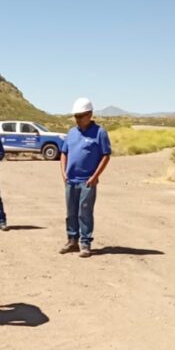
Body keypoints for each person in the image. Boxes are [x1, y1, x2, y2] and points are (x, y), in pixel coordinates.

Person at [59, 98, 112, 258]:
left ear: (90, 114)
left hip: (87, 181)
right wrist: (63, 173)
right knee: (71, 212)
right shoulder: (72, 132)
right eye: (76, 116)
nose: (78, 119)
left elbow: (106, 155)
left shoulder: (99, 133)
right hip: (71, 180)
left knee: (85, 212)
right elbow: (64, 153)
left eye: (81, 116)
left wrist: (95, 176)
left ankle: (85, 243)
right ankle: (72, 240)